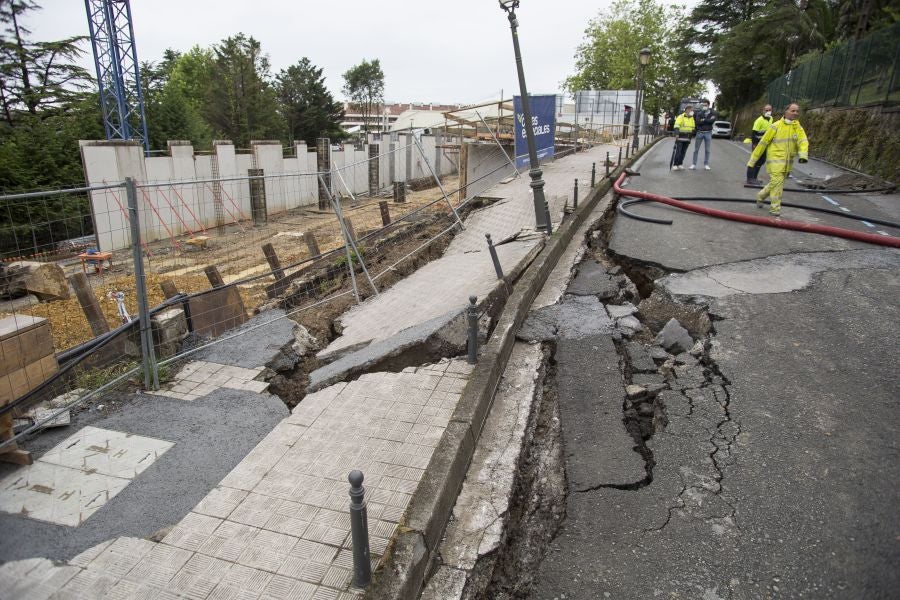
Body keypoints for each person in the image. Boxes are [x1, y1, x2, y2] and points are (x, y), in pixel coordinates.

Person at [747, 103, 809, 218]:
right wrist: (752, 161)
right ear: (786, 111)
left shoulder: (798, 128)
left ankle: (760, 196)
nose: (795, 113)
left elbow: (803, 141)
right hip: (774, 162)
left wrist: (803, 155)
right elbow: (762, 144)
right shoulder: (775, 126)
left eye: (797, 111)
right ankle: (775, 209)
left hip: (787, 164)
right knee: (777, 185)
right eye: (793, 110)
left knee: (775, 183)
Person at [745, 104, 773, 184]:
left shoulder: (771, 118)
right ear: (763, 111)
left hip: (765, 144)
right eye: (766, 110)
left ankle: (754, 178)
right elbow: (753, 133)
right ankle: (749, 179)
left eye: (769, 110)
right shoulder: (759, 120)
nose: (768, 112)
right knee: (754, 160)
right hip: (757, 144)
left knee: (761, 160)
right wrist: (754, 144)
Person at [690, 99, 717, 170]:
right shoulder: (699, 113)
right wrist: (706, 120)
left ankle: (706, 164)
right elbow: (698, 122)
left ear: (708, 105)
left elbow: (712, 121)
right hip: (700, 132)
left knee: (707, 150)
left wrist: (703, 120)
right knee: (696, 149)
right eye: (703, 105)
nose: (704, 106)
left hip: (708, 133)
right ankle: (693, 164)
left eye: (706, 105)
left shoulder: (713, 113)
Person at [671, 106, 696, 170]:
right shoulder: (680, 117)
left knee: (683, 152)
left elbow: (693, 127)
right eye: (691, 110)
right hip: (680, 137)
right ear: (687, 110)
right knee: (678, 151)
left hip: (687, 138)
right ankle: (675, 164)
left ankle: (680, 164)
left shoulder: (692, 118)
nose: (692, 111)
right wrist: (676, 134)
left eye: (692, 110)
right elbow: (676, 125)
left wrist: (692, 135)